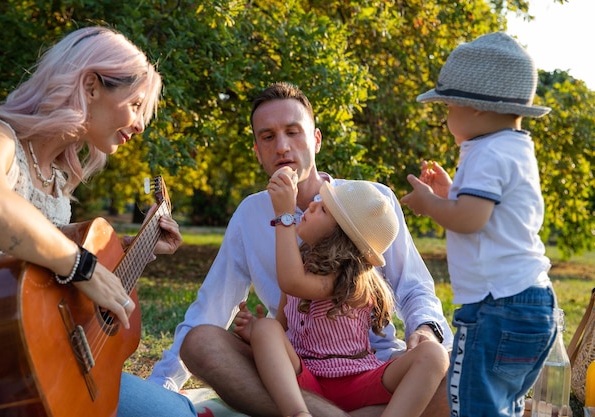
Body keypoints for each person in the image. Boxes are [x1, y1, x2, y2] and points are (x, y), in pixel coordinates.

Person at [149, 81, 453, 417]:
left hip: (375, 369)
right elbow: (211, 308)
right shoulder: (250, 214)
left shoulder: (370, 202)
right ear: (257, 151)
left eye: (293, 132)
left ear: (316, 140)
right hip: (292, 371)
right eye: (268, 136)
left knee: (450, 373)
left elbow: (414, 289)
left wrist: (425, 329)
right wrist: (159, 387)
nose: (282, 147)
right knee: (201, 343)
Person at [0, 26, 196, 416]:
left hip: (44, 364)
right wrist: (85, 266)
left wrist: (128, 252)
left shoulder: (60, 180)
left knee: (176, 412)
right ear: (91, 86)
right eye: (136, 105)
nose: (141, 124)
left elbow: (43, 277)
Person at [400, 32, 557, 417]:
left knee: (474, 406)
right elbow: (489, 215)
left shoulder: (486, 153)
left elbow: (470, 220)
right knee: (503, 405)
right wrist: (451, 191)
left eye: (449, 107)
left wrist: (430, 203)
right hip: (531, 302)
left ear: (476, 110)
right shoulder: (514, 148)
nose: (446, 116)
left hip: (496, 307)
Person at [232, 169, 449, 417]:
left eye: (323, 209)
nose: (311, 208)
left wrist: (285, 216)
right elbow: (283, 327)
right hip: (306, 379)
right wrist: (256, 334)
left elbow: (292, 281)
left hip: (357, 381)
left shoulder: (349, 280)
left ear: (340, 237)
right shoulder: (299, 271)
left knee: (434, 355)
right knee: (266, 328)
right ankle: (298, 414)